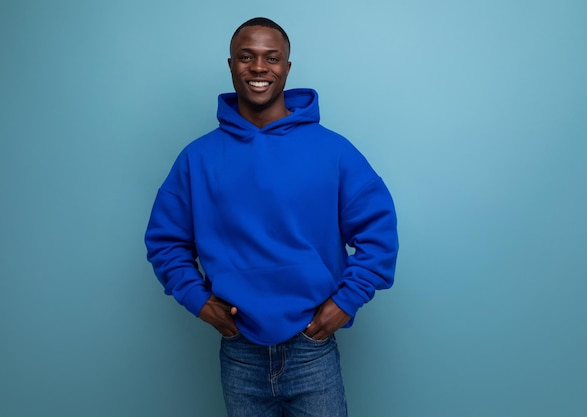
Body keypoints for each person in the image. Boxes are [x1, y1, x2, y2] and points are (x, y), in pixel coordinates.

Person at [145, 17, 398, 417]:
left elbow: (379, 232)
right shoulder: (197, 158)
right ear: (231, 65)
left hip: (311, 349)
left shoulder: (332, 151)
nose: (259, 67)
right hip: (239, 352)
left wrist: (347, 300)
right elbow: (164, 241)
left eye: (271, 57)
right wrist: (196, 298)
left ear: (287, 67)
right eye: (246, 57)